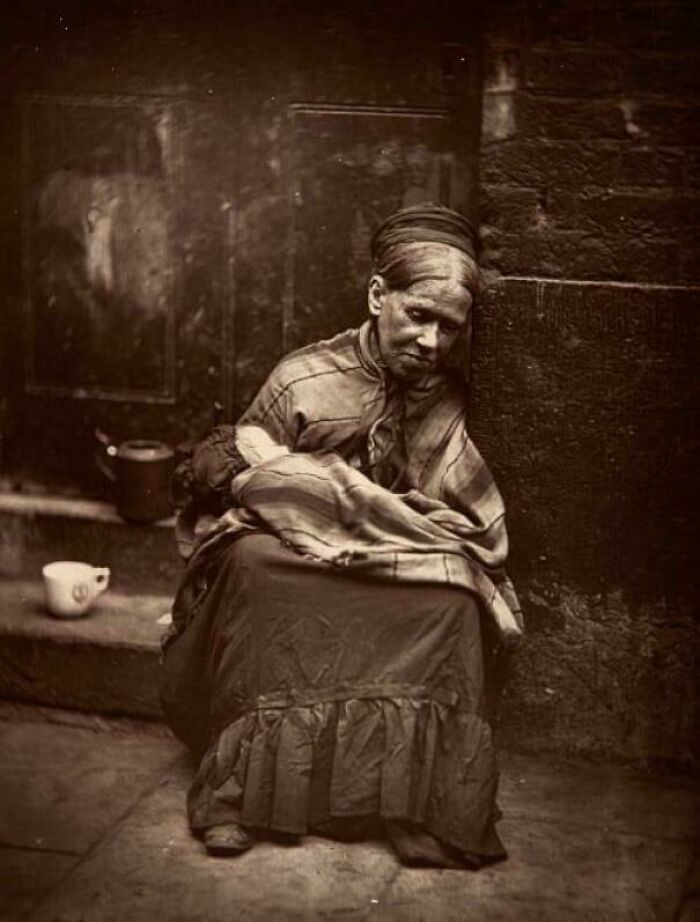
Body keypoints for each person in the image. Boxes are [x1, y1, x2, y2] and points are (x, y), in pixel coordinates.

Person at [161, 203, 523, 868]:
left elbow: (459, 518)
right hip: (297, 556)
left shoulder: (444, 398)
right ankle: (239, 794)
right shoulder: (304, 377)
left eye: (450, 327)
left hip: (383, 556)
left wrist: (379, 518)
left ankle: (414, 801)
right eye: (419, 315)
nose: (432, 342)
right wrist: (309, 495)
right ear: (378, 295)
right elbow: (239, 477)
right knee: (254, 569)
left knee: (452, 601)